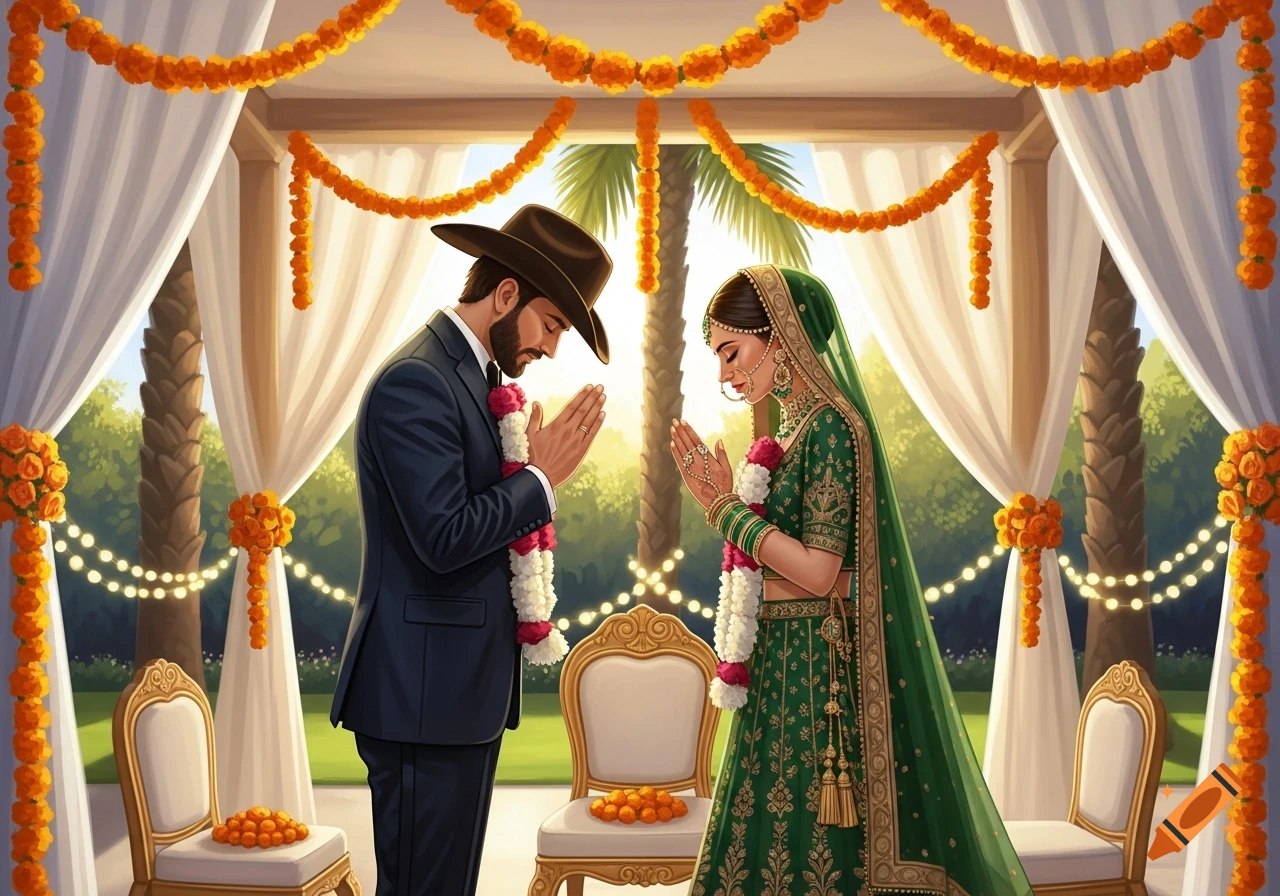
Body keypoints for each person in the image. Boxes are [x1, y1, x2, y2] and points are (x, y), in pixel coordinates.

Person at [671, 265, 1033, 896]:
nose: (725, 375)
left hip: (816, 675)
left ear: (781, 335)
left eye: (732, 352)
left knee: (819, 854)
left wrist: (725, 510)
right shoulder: (793, 430)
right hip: (783, 662)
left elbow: (818, 572)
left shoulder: (833, 428)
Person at [330, 204, 612, 896]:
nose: (552, 349)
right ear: (506, 294)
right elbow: (444, 537)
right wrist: (540, 479)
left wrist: (527, 474)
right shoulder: (418, 381)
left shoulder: (472, 380)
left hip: (453, 699)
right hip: (422, 698)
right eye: (552, 324)